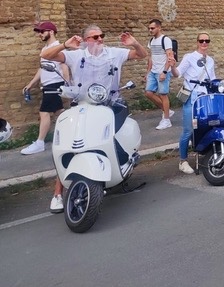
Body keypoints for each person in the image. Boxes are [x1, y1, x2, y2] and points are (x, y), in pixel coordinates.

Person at [41, 25, 146, 213]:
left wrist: (135, 43)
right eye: (94, 37)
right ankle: (58, 193)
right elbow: (46, 56)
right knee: (70, 144)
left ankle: (119, 168)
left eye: (101, 36)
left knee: (111, 137)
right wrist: (65, 44)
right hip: (82, 105)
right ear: (86, 40)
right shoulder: (77, 55)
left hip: (109, 104)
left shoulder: (114, 53)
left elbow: (141, 55)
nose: (99, 39)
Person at [21, 21, 70, 156]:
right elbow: (42, 68)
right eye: (39, 32)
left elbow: (64, 66)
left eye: (42, 32)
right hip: (48, 85)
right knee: (60, 112)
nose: (39, 35)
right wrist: (31, 84)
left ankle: (40, 143)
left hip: (55, 84)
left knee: (44, 113)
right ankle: (71, 135)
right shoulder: (45, 50)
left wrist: (68, 84)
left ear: (51, 32)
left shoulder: (58, 47)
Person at [169, 32, 216, 174]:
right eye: (201, 40)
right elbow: (178, 73)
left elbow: (213, 80)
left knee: (208, 125)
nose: (204, 43)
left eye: (207, 40)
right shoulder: (189, 57)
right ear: (197, 42)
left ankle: (206, 151)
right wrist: (172, 66)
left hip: (206, 97)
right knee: (188, 130)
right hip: (192, 96)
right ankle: (182, 161)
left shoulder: (210, 60)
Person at [145, 19, 175, 130]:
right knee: (148, 93)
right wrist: (148, 72)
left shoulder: (165, 40)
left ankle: (166, 120)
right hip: (153, 71)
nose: (150, 30)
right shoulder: (151, 41)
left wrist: (165, 71)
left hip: (162, 71)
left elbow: (170, 56)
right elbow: (150, 57)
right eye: (149, 28)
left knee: (163, 94)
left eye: (152, 28)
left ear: (159, 28)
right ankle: (167, 110)